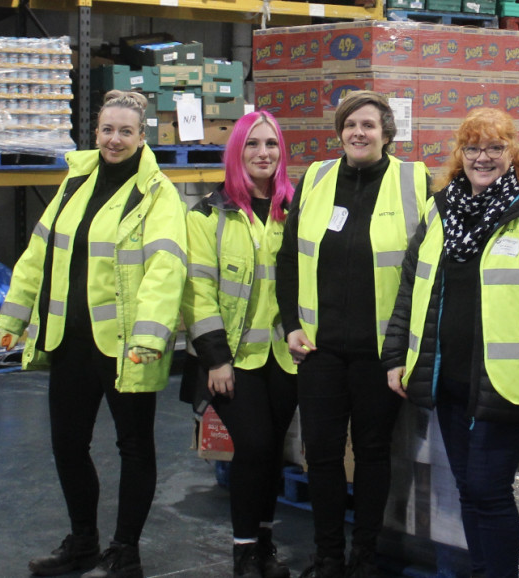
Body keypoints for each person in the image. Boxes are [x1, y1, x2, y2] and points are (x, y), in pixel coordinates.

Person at [0, 90, 187, 578]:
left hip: (127, 345)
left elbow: (166, 268)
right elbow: (40, 251)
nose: (114, 140)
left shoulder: (157, 194)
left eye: (126, 131)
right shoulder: (76, 181)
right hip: (69, 339)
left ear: (142, 137)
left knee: (135, 445)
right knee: (67, 444)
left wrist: (150, 336)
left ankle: (125, 552)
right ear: (95, 132)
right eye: (107, 130)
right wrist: (12, 318)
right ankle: (82, 543)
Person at [382, 107, 519, 578]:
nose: (483, 158)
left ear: (514, 153)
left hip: (504, 379)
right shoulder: (441, 211)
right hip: (446, 375)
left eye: (495, 147)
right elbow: (410, 288)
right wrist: (396, 357)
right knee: (470, 489)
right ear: (460, 154)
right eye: (473, 148)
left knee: (489, 490)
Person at [275, 90, 429, 578]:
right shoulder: (317, 178)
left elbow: (429, 267)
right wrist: (292, 324)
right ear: (340, 132)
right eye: (350, 125)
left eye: (368, 125)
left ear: (387, 132)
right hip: (318, 350)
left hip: (380, 352)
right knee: (319, 453)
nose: (358, 133)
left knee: (373, 453)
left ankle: (364, 554)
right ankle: (327, 556)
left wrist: (408, 345)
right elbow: (287, 259)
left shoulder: (414, 180)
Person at [180, 110, 298, 578]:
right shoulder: (210, 212)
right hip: (231, 359)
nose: (263, 153)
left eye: (271, 144)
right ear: (237, 152)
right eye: (252, 144)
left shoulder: (295, 209)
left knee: (272, 451)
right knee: (252, 445)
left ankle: (263, 542)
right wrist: (215, 359)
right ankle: (244, 551)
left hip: (285, 356)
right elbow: (197, 291)